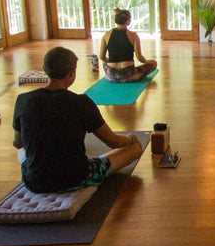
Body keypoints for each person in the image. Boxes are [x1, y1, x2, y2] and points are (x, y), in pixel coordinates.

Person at [13, 47, 142, 193]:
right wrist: (131, 139)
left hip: (34, 182)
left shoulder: (23, 100)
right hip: (76, 178)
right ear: (72, 73)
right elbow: (113, 142)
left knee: (21, 150)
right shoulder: (81, 103)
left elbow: (17, 143)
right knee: (135, 148)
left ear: (45, 69)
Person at [98, 8, 157, 83]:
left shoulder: (106, 35)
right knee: (154, 63)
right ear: (128, 21)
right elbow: (139, 57)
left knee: (105, 63)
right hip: (129, 75)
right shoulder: (134, 36)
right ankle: (136, 74)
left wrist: (110, 62)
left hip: (111, 75)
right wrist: (148, 61)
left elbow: (101, 57)